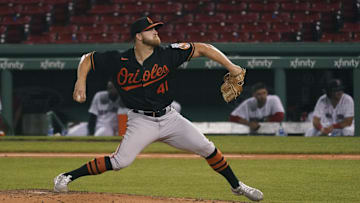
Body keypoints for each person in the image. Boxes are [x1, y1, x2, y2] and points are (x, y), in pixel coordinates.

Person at [53, 17, 263, 201]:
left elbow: (203, 47)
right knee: (119, 161)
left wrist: (232, 66)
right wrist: (80, 82)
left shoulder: (167, 54)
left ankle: (237, 186)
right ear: (138, 36)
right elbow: (87, 58)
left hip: (170, 117)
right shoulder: (119, 59)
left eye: (156, 28)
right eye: (151, 29)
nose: (156, 32)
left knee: (208, 148)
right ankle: (67, 176)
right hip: (141, 120)